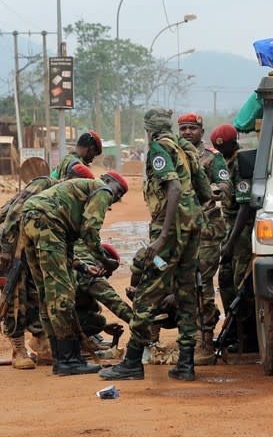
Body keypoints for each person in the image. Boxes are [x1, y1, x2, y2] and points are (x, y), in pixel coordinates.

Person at [99, 105, 210, 382]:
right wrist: (188, 220)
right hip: (192, 228)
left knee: (147, 293)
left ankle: (133, 361)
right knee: (186, 294)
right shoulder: (185, 148)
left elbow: (172, 187)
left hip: (170, 231)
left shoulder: (160, 149)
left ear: (149, 130)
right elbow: (206, 193)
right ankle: (186, 363)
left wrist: (163, 237)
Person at [19, 170, 128, 376]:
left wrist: (84, 267)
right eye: (118, 193)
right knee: (62, 295)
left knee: (47, 294)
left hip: (31, 218)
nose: (114, 201)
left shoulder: (77, 196)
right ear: (109, 183)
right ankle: (68, 361)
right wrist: (105, 260)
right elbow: (90, 230)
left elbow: (65, 250)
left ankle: (60, 359)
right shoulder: (102, 190)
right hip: (47, 222)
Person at [0, 163, 95, 369]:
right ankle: (18, 350)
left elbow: (59, 246)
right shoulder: (45, 183)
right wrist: (6, 248)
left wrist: (80, 266)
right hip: (9, 243)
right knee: (15, 294)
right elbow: (14, 211)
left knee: (37, 293)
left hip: (30, 244)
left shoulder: (63, 203)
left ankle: (42, 343)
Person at [178, 112, 232, 365]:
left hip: (207, 230)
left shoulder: (212, 158)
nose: (187, 132)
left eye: (192, 128)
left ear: (201, 131)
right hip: (179, 229)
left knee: (202, 281)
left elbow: (225, 186)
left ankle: (205, 338)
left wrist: (201, 193)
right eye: (183, 129)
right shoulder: (173, 157)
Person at [210, 124, 258, 353]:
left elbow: (245, 206)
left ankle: (250, 338)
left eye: (225, 147)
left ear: (234, 142)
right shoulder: (226, 163)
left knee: (242, 285)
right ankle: (234, 332)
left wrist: (229, 244)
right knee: (226, 281)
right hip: (230, 230)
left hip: (242, 232)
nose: (222, 151)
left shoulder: (241, 163)